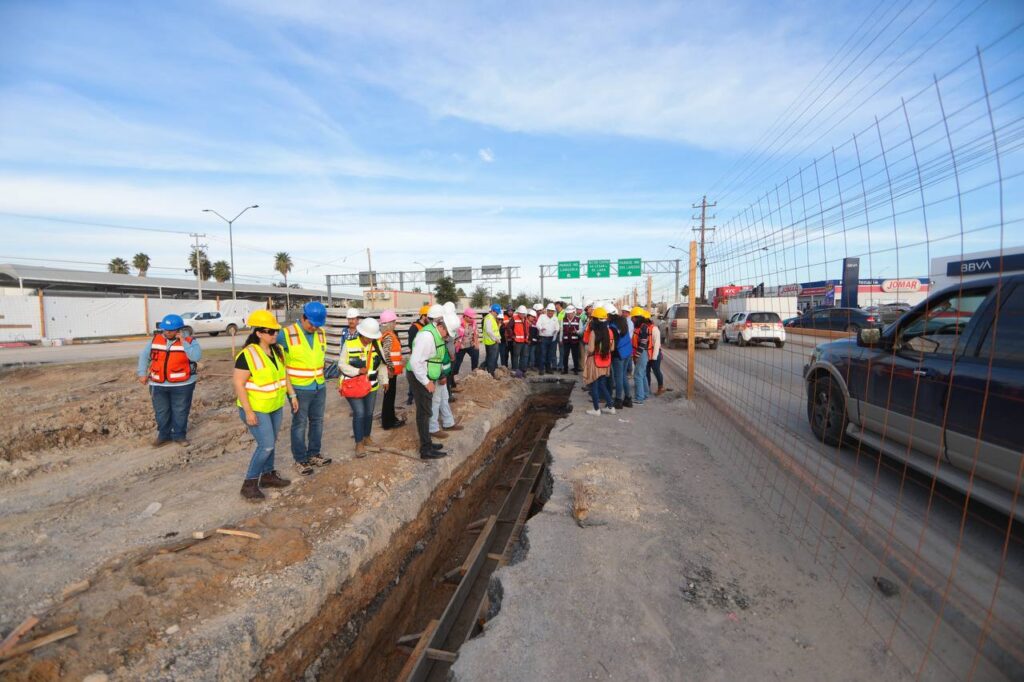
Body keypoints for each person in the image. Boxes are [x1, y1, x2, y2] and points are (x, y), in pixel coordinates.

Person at [233, 310, 297, 500]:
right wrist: (248, 411)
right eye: (270, 331)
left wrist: (292, 395)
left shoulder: (277, 351)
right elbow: (238, 383)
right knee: (266, 445)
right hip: (257, 408)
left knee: (272, 441)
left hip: (274, 405)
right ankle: (249, 483)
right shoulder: (247, 355)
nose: (275, 334)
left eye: (276, 331)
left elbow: (284, 375)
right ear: (259, 333)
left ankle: (268, 475)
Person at [279, 301, 332, 476]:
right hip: (299, 389)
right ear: (303, 318)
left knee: (317, 421)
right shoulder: (286, 334)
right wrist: (290, 392)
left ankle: (314, 454)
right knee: (300, 424)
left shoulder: (321, 333)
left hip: (319, 385)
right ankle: (300, 459)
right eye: (311, 324)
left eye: (317, 326)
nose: (314, 328)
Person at [137, 313, 201, 447]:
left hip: (183, 384)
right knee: (161, 412)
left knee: (180, 411)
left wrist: (183, 341)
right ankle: (163, 435)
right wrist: (142, 373)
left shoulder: (190, 341)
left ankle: (179, 436)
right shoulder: (155, 340)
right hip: (157, 383)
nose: (167, 332)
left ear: (179, 330)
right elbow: (144, 356)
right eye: (165, 329)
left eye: (170, 330)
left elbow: (195, 356)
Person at [407, 305, 454, 459]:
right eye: (447, 333)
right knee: (424, 412)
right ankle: (425, 449)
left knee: (427, 410)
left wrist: (439, 375)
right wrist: (427, 381)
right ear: (441, 325)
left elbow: (436, 359)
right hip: (418, 376)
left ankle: (427, 441)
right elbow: (415, 363)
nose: (447, 337)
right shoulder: (427, 336)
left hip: (426, 376)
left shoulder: (437, 334)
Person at [339, 317, 389, 458]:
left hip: (371, 386)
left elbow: (382, 365)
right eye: (368, 337)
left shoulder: (377, 345)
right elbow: (341, 364)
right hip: (353, 387)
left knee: (369, 413)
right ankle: (359, 443)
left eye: (371, 337)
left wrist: (384, 380)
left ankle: (367, 437)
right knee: (360, 413)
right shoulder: (349, 344)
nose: (369, 339)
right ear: (362, 333)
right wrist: (357, 371)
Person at [378, 310, 407, 430]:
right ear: (389, 323)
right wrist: (389, 368)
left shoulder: (388, 335)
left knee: (390, 396)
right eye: (394, 322)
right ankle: (388, 422)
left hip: (392, 371)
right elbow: (385, 354)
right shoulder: (389, 337)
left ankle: (391, 418)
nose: (395, 324)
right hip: (390, 372)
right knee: (389, 397)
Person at [583, 307, 614, 416]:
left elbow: (591, 349)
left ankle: (596, 409)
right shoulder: (610, 331)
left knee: (594, 386)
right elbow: (612, 348)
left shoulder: (593, 333)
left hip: (595, 362)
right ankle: (611, 406)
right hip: (605, 362)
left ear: (595, 320)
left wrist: (587, 352)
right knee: (602, 385)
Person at [609, 306, 634, 409]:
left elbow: (612, 344)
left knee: (618, 377)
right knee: (623, 376)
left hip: (619, 354)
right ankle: (628, 399)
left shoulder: (613, 326)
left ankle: (618, 400)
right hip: (627, 351)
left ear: (609, 315)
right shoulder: (623, 321)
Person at [406, 305, 430, 406]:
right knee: (415, 375)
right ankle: (411, 397)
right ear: (423, 316)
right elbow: (411, 343)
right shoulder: (414, 328)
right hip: (417, 357)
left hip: (426, 357)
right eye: (429, 317)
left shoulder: (427, 327)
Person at [631, 307, 652, 405]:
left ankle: (639, 399)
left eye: (633, 318)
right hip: (640, 353)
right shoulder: (639, 327)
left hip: (641, 353)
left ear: (638, 317)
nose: (632, 319)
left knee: (637, 376)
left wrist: (637, 355)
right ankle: (645, 394)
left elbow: (643, 343)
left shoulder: (643, 327)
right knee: (642, 374)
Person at [456, 306, 482, 376]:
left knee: (475, 355)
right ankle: (453, 375)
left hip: (471, 345)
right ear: (465, 316)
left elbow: (475, 333)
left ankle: (474, 371)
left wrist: (476, 343)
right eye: (471, 318)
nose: (472, 319)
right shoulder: (458, 323)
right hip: (461, 346)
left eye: (473, 318)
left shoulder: (473, 323)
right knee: (457, 362)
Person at [646, 313, 666, 396]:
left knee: (656, 370)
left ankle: (661, 387)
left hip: (655, 354)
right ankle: (647, 389)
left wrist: (654, 357)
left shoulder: (654, 329)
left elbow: (657, 344)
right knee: (646, 371)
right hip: (647, 353)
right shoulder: (645, 328)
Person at [537, 303, 559, 374]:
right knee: (543, 354)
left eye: (552, 311)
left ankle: (548, 369)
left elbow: (557, 327)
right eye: (549, 310)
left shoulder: (555, 318)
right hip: (543, 338)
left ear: (554, 312)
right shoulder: (542, 316)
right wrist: (541, 328)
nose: (550, 312)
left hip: (552, 338)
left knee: (550, 354)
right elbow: (538, 324)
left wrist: (556, 330)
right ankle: (541, 369)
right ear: (547, 310)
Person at [561, 305, 581, 374]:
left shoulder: (578, 319)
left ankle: (576, 370)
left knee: (575, 356)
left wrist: (576, 332)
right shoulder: (563, 319)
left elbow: (581, 331)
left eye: (570, 313)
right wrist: (561, 339)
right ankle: (565, 369)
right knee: (565, 355)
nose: (569, 314)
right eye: (568, 313)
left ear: (573, 312)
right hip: (566, 341)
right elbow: (561, 330)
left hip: (575, 341)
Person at [482, 304, 502, 375]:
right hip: (491, 342)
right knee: (492, 359)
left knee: (491, 358)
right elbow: (489, 331)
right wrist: (496, 339)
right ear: (493, 311)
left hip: (493, 341)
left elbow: (495, 330)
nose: (497, 314)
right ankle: (490, 372)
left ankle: (484, 368)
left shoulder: (492, 318)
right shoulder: (489, 318)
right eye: (497, 313)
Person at [511, 305, 530, 376]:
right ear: (518, 313)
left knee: (524, 356)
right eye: (521, 313)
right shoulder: (514, 318)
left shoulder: (525, 319)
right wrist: (512, 336)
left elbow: (527, 329)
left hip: (525, 341)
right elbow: (509, 327)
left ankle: (523, 370)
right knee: (516, 356)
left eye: (524, 313)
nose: (522, 315)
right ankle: (515, 370)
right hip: (517, 341)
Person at [527, 308, 540, 373]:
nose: (533, 318)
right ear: (528, 316)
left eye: (534, 317)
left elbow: (536, 333)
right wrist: (528, 340)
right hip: (527, 342)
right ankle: (526, 366)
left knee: (532, 354)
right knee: (526, 354)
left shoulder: (534, 324)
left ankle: (532, 366)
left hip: (533, 342)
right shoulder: (526, 323)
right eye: (532, 317)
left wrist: (536, 340)